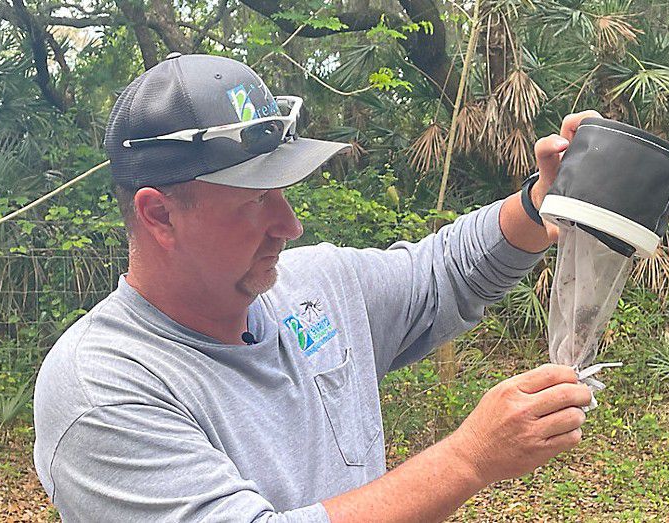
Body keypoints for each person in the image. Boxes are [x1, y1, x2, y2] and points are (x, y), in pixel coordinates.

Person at [33, 53, 597, 522]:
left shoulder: (315, 287)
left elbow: (441, 275)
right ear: (159, 215)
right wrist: (470, 458)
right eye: (256, 199)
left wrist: (535, 203)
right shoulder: (102, 386)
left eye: (282, 191)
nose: (289, 224)